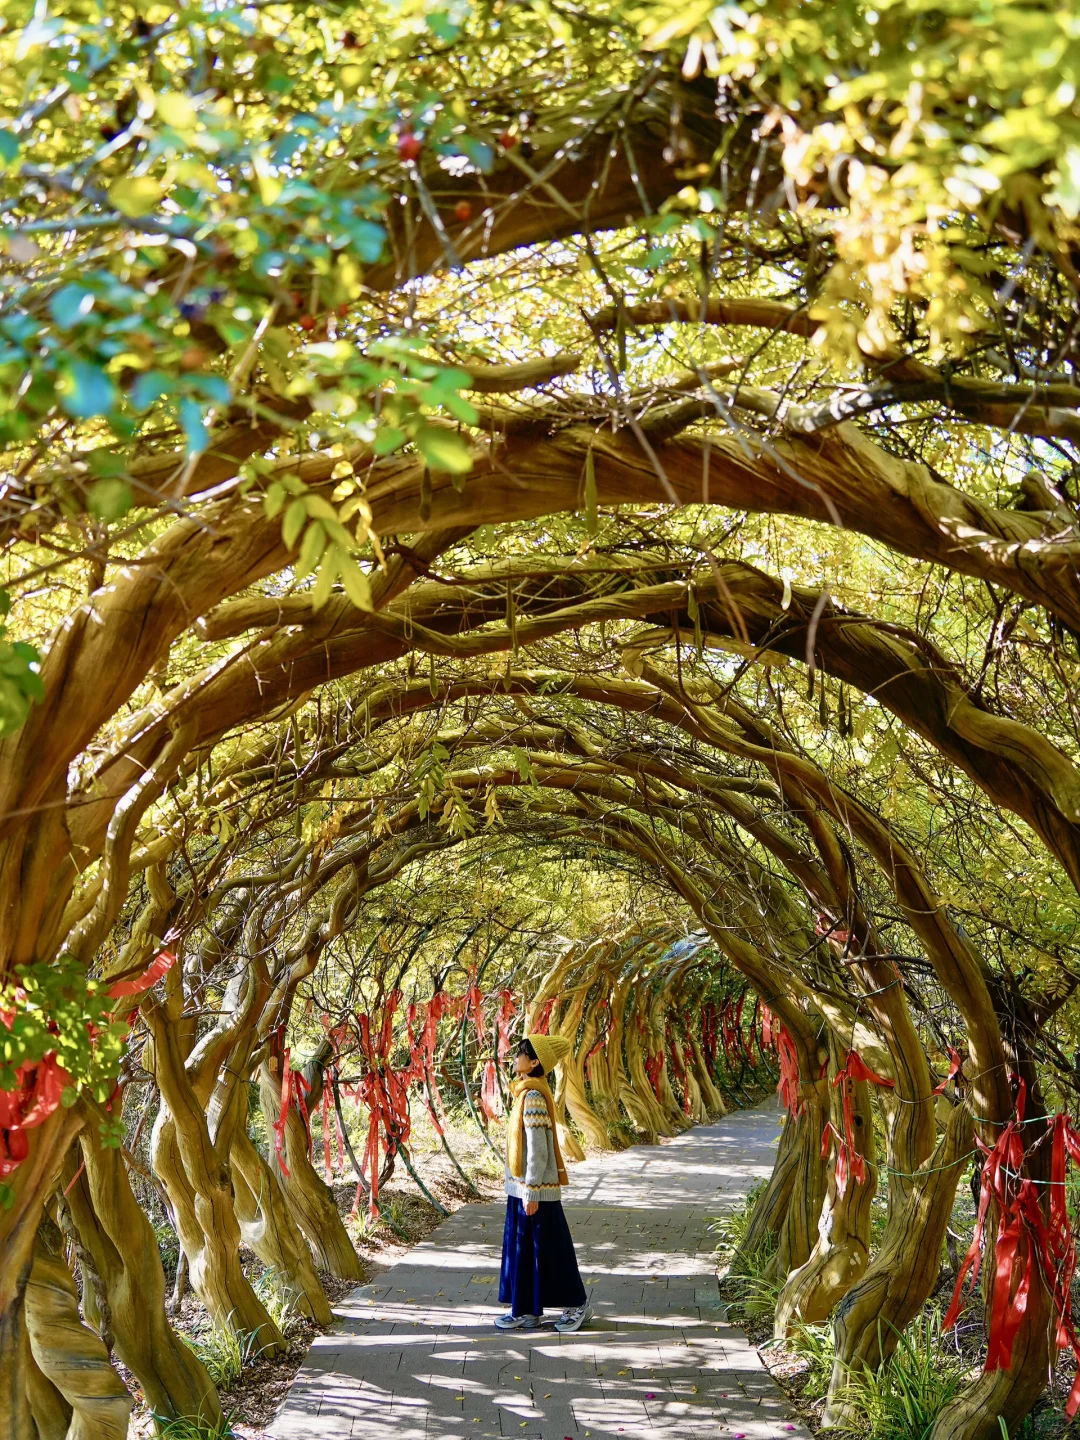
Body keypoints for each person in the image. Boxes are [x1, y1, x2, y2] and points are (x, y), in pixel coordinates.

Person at [495, 1032, 592, 1333]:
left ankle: (578, 1306)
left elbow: (537, 1148)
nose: (515, 1057)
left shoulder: (534, 1096)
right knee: (523, 1250)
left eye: (521, 1053)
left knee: (552, 1249)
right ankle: (526, 1311)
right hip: (521, 1189)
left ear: (534, 1061)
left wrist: (532, 1189)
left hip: (535, 1190)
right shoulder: (525, 1092)